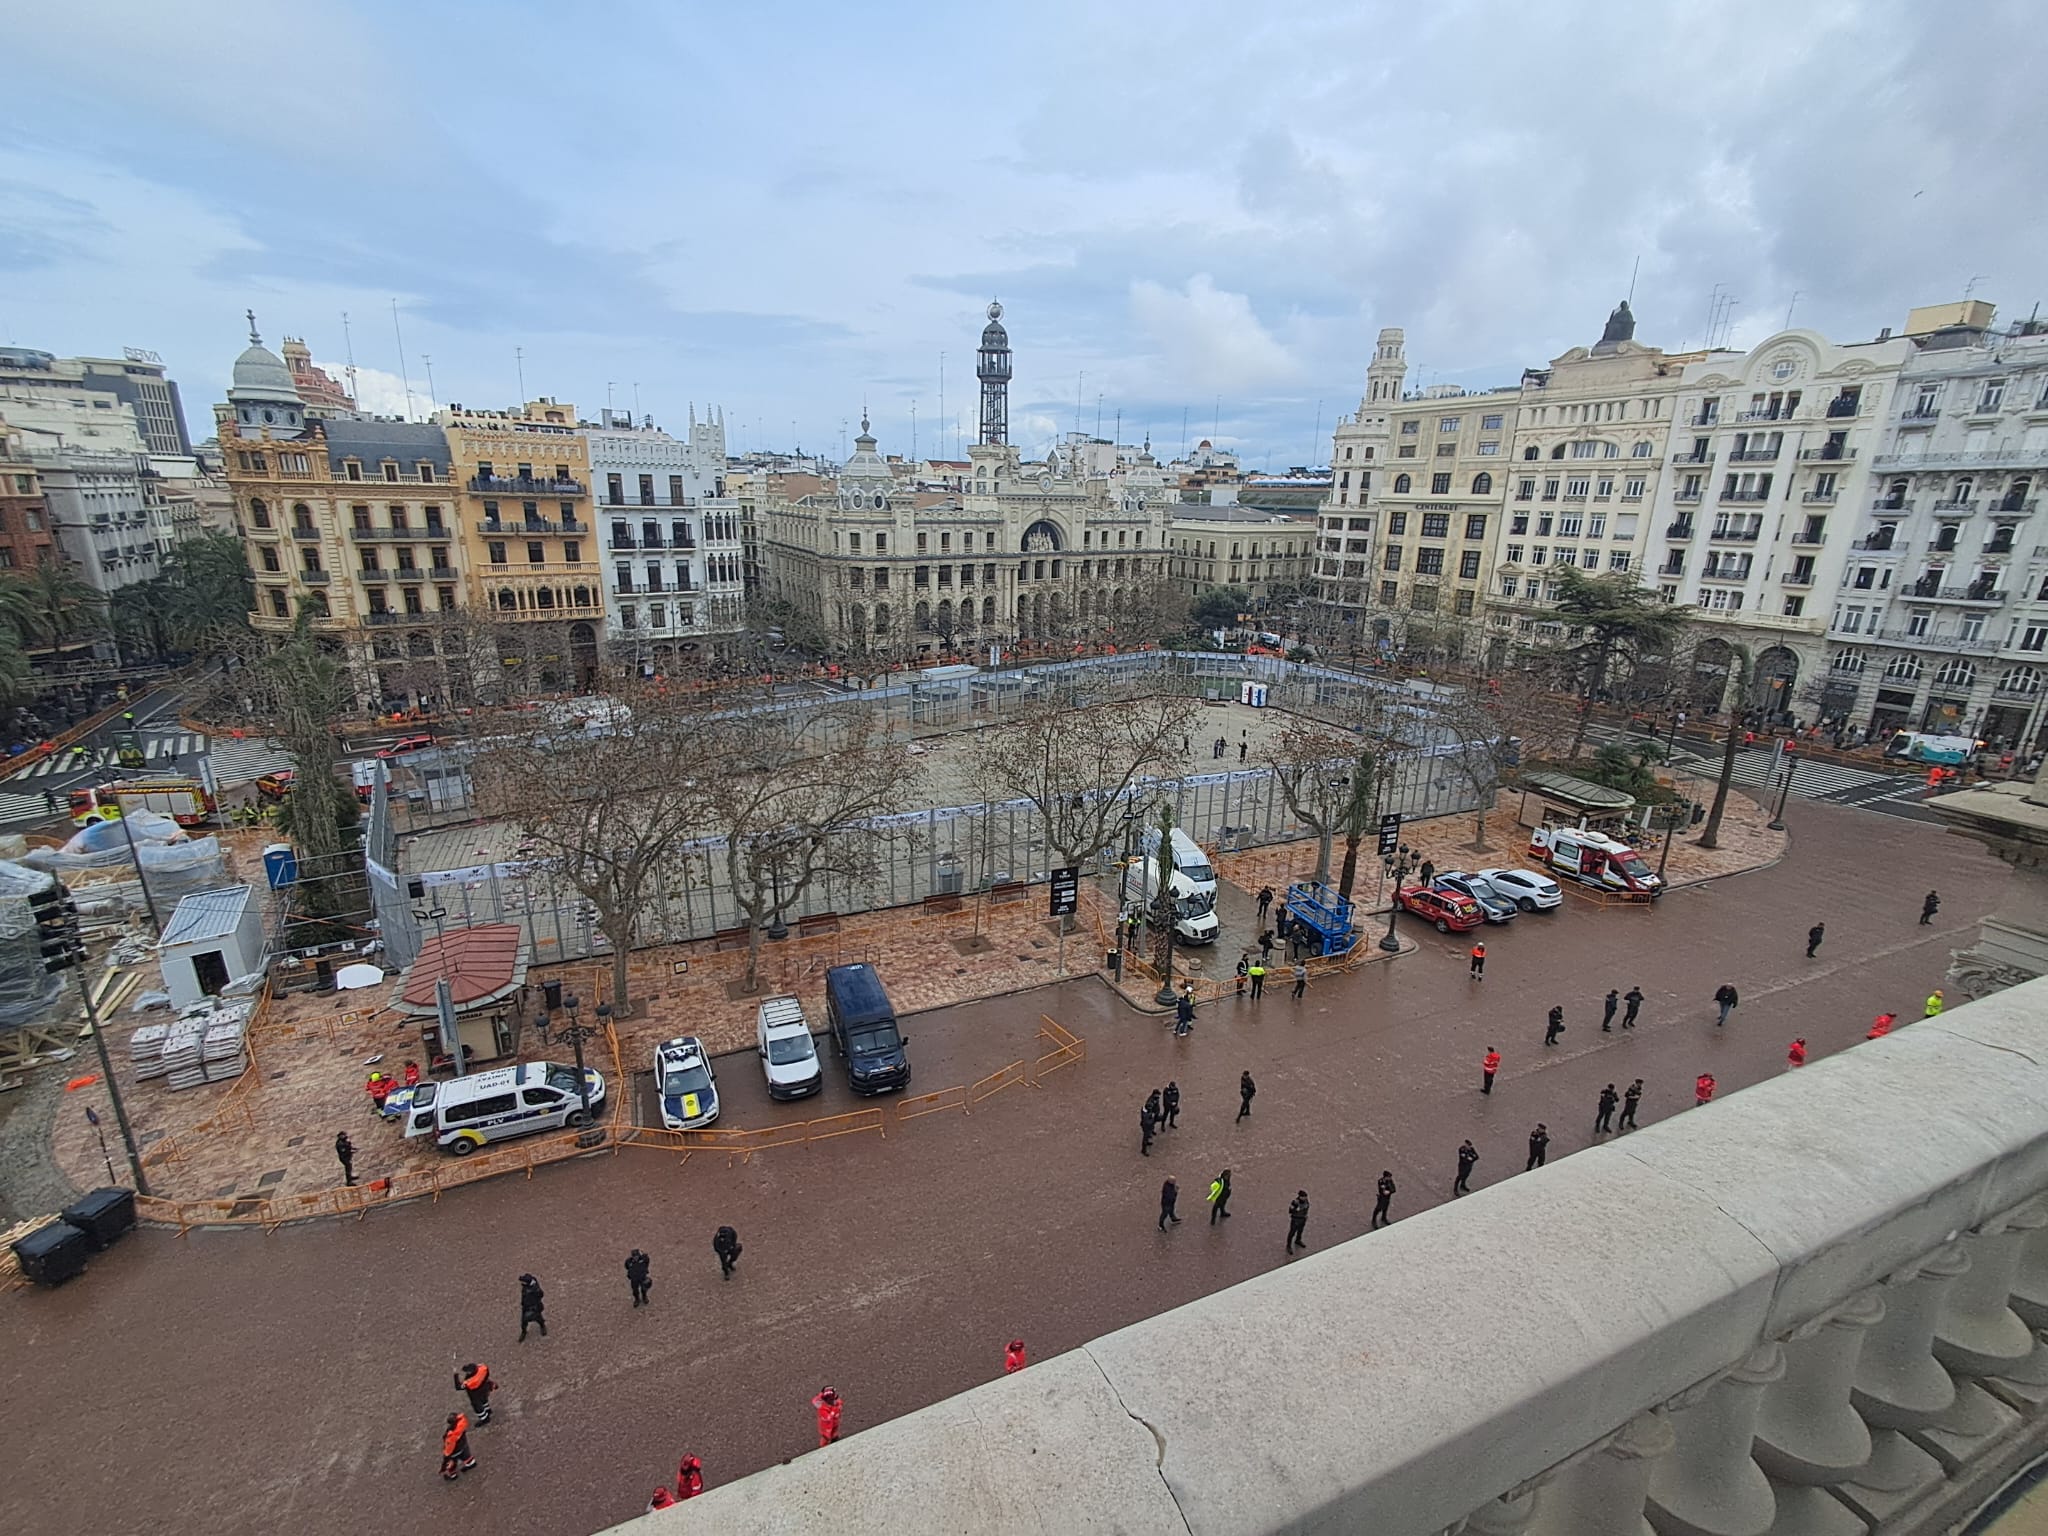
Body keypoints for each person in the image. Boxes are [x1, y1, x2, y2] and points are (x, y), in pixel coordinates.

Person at [441, 1412, 476, 1479]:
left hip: (455, 1451)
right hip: (463, 1444)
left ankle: (452, 1475)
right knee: (466, 1456)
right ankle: (471, 1463)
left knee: (451, 1463)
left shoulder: (451, 1434)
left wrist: (446, 1455)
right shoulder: (461, 1423)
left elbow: (449, 1446)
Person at [518, 1273, 546, 1341]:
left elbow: (541, 1295)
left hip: (534, 1306)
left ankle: (542, 1326)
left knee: (538, 1318)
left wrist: (535, 1292)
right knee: (524, 1321)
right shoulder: (526, 1287)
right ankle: (524, 1331)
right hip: (526, 1306)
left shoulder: (535, 1288)